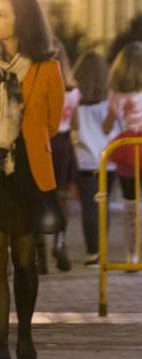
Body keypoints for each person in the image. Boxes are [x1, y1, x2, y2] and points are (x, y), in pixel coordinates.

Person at [0, 0, 63, 359]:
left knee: (24, 257)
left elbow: (52, 123)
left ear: (21, 20)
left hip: (27, 172)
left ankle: (25, 335)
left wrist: (25, 142)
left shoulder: (47, 68)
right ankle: (0, 344)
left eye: (1, 14)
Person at [72, 52, 118, 266]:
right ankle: (101, 249)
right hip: (108, 160)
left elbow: (73, 128)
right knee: (104, 205)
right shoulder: (111, 99)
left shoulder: (74, 99)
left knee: (88, 207)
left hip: (83, 160)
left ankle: (92, 253)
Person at [103, 41, 142, 267]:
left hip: (128, 147)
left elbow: (107, 127)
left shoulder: (117, 93)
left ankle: (132, 253)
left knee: (130, 206)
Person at [44, 41, 79, 273]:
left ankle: (39, 253)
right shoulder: (74, 90)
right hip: (65, 143)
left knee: (40, 197)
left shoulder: (45, 84)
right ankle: (60, 240)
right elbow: (75, 124)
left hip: (46, 142)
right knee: (63, 197)